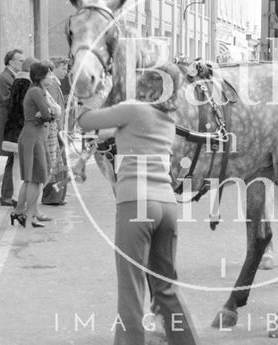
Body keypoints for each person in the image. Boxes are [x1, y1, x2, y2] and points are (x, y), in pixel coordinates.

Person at [77, 64, 199, 345]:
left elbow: (85, 121)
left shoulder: (132, 109)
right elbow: (108, 132)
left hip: (136, 205)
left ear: (145, 84)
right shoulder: (167, 119)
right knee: (165, 289)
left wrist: (93, 95)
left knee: (131, 290)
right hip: (166, 206)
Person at [9, 61, 60, 229]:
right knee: (33, 178)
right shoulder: (37, 91)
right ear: (41, 76)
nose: (52, 77)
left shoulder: (39, 90)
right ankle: (28, 217)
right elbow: (48, 114)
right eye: (49, 74)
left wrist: (48, 113)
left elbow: (48, 113)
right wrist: (49, 113)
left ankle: (19, 212)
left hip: (36, 135)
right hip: (32, 136)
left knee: (35, 178)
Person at [3, 57, 37, 211]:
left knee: (17, 163)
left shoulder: (17, 81)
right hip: (23, 128)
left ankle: (16, 195)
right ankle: (21, 197)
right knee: (25, 166)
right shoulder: (29, 84)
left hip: (13, 127)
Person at [0, 48, 25, 207]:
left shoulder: (13, 76)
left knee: (13, 159)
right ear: (10, 62)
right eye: (20, 60)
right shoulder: (5, 77)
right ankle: (6, 195)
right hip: (9, 126)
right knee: (12, 159)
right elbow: (8, 102)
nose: (22, 62)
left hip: (13, 126)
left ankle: (9, 194)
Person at [41, 59, 67, 206]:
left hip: (58, 128)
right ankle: (53, 197)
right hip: (55, 130)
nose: (65, 71)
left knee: (60, 164)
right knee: (56, 163)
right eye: (63, 68)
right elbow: (53, 109)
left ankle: (57, 196)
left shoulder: (55, 84)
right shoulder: (51, 86)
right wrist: (59, 129)